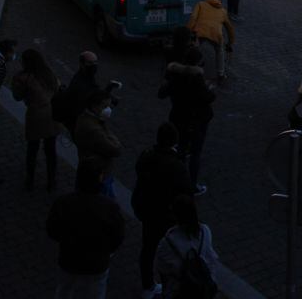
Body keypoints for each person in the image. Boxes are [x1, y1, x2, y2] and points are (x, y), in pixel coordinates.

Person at [47, 159, 126, 299]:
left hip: (69, 258)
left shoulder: (63, 203)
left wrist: (66, 241)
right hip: (97, 263)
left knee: (64, 290)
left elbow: (52, 230)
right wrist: (107, 251)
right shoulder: (109, 208)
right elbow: (118, 236)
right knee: (95, 294)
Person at [133, 123, 193, 299]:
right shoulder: (176, 165)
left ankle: (147, 285)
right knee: (169, 253)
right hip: (166, 215)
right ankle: (168, 288)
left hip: (147, 209)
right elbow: (186, 191)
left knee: (148, 248)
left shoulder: (146, 155)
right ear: (174, 141)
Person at [159, 47, 216, 195]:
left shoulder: (175, 75)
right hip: (195, 121)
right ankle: (192, 184)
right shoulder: (197, 80)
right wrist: (209, 88)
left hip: (178, 117)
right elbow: (208, 98)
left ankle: (176, 179)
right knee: (195, 153)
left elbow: (162, 93)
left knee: (180, 150)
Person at [11, 48, 60, 192]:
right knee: (51, 150)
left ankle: (30, 179)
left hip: (36, 115)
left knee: (32, 149)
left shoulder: (24, 78)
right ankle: (51, 181)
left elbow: (17, 96)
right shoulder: (48, 74)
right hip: (51, 114)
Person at [155, 195, 220, 299]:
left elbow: (163, 269)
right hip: (202, 287)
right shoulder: (204, 231)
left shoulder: (168, 240)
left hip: (180, 290)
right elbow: (212, 259)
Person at [73, 91, 122, 197]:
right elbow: (116, 149)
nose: (108, 109)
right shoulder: (94, 129)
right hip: (98, 173)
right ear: (94, 106)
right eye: (105, 106)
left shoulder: (86, 117)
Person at [187, 0, 234, 84]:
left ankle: (192, 69)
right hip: (216, 35)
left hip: (200, 31)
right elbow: (230, 28)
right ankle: (221, 73)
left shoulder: (200, 4)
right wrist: (230, 42)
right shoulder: (223, 11)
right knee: (220, 51)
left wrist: (188, 31)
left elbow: (193, 18)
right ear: (220, 0)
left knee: (194, 49)